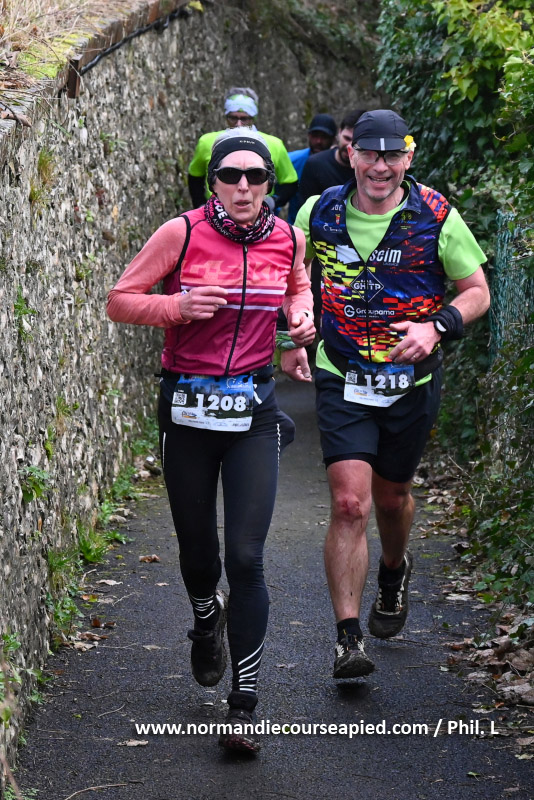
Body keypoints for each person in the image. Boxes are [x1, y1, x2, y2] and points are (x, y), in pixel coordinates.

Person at [107, 128, 315, 753]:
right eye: (231, 176)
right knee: (200, 555)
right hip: (187, 409)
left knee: (247, 558)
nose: (244, 187)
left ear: (269, 184)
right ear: (213, 183)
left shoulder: (289, 239)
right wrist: (178, 307)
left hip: (254, 411)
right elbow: (120, 301)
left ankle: (244, 706)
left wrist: (298, 323)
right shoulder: (182, 233)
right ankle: (205, 618)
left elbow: (296, 288)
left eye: (256, 177)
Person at [292, 109, 490, 680]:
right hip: (342, 373)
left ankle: (394, 569)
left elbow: (477, 290)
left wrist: (437, 327)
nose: (380, 167)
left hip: (412, 382)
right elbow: (291, 274)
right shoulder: (318, 211)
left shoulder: (435, 214)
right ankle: (347, 639)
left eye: (392, 156)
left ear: (409, 157)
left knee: (391, 497)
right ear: (351, 155)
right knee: (349, 503)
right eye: (370, 155)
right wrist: (294, 328)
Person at [296, 109, 366, 325]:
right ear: (338, 134)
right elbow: (306, 207)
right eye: (346, 138)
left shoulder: (369, 171)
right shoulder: (316, 164)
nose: (349, 146)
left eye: (357, 143)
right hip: (324, 243)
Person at [187, 87, 298, 211]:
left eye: (244, 119)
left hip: (259, 210)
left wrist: (273, 201)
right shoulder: (207, 142)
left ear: (253, 118)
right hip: (218, 210)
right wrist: (200, 205)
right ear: (226, 117)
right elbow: (195, 177)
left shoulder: (275, 144)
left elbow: (290, 182)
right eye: (233, 118)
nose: (238, 124)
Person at [285, 113, 337, 224]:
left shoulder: (340, 165)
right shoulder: (293, 160)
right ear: (308, 135)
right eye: (315, 136)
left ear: (333, 139)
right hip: (296, 224)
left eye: (324, 137)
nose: (318, 141)